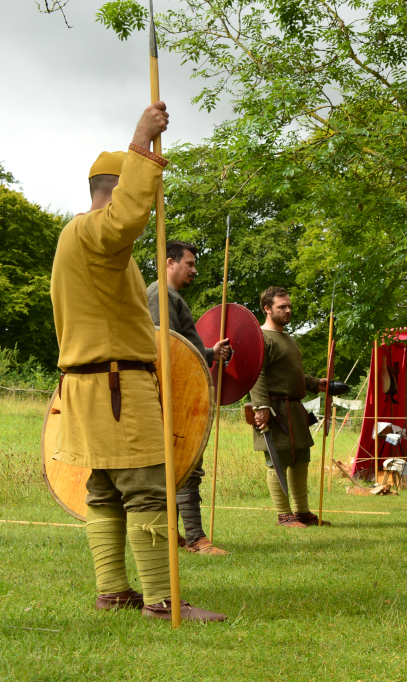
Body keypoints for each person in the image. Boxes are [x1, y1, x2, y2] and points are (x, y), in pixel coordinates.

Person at [49, 102, 224, 621]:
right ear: (117, 188)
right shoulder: (93, 234)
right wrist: (141, 142)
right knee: (149, 484)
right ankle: (160, 600)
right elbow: (125, 216)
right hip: (113, 385)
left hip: (93, 386)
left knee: (105, 487)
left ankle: (113, 590)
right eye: (139, 188)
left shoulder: (85, 243)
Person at [147, 240, 231, 556]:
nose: (195, 270)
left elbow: (183, 347)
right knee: (185, 464)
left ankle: (175, 535)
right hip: (172, 394)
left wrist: (210, 353)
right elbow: (163, 349)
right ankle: (195, 539)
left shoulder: (170, 296)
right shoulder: (161, 295)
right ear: (170, 262)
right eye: (190, 263)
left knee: (179, 464)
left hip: (180, 391)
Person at [250, 287, 331, 529]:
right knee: (277, 460)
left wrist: (316, 384)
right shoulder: (261, 338)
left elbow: (292, 376)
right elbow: (257, 375)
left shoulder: (289, 339)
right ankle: (284, 515)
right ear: (267, 308)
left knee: (300, 459)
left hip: (294, 409)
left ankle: (302, 512)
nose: (288, 310)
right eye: (282, 307)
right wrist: (261, 406)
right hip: (274, 410)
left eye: (289, 306)